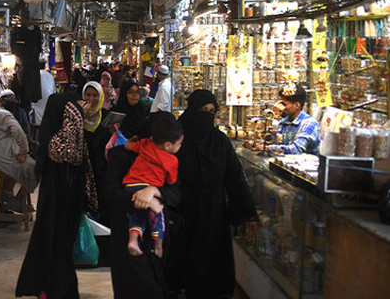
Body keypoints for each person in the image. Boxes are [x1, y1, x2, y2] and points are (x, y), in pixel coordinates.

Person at [167, 89, 258, 299]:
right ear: (192, 110)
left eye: (211, 111)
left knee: (210, 266)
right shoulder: (178, 140)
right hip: (183, 212)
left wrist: (249, 213)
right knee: (182, 262)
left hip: (213, 214)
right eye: (202, 110)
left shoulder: (220, 142)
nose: (207, 116)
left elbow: (234, 178)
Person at [16, 92, 98, 299]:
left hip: (67, 200)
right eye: (70, 114)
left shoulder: (61, 133)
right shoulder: (57, 142)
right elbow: (71, 153)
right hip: (57, 200)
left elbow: (79, 157)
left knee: (58, 246)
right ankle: (51, 288)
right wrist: (77, 114)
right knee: (55, 244)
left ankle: (52, 287)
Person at [123, 113, 183, 258]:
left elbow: (127, 145)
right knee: (157, 217)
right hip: (147, 188)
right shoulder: (172, 160)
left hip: (130, 185)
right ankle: (158, 247)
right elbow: (171, 182)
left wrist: (131, 141)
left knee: (136, 218)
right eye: (179, 144)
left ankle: (133, 241)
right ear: (168, 145)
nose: (180, 147)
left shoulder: (145, 144)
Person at [0, 90, 38, 212]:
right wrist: (24, 152)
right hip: (3, 159)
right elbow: (19, 132)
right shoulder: (4, 115)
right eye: (10, 99)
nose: (13, 102)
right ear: (2, 101)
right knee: (35, 168)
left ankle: (7, 193)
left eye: (14, 99)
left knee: (23, 168)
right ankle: (17, 200)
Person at [81, 81, 112, 224]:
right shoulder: (78, 115)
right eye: (87, 95)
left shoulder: (106, 116)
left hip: (102, 167)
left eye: (95, 95)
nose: (91, 99)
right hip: (83, 167)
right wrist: (81, 117)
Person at [260, 84, 320, 155]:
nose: (281, 107)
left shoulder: (310, 123)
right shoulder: (284, 122)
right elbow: (270, 141)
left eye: (284, 104)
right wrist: (274, 117)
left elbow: (296, 149)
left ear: (297, 105)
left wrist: (266, 148)